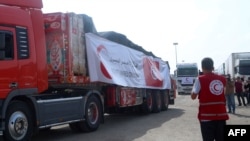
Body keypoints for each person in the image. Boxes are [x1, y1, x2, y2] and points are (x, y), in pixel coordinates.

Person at [191, 57, 229, 141]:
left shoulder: (200, 79)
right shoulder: (222, 79)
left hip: (206, 117)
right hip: (221, 115)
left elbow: (193, 97)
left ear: (202, 67)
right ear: (213, 67)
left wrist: (193, 89)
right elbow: (223, 94)